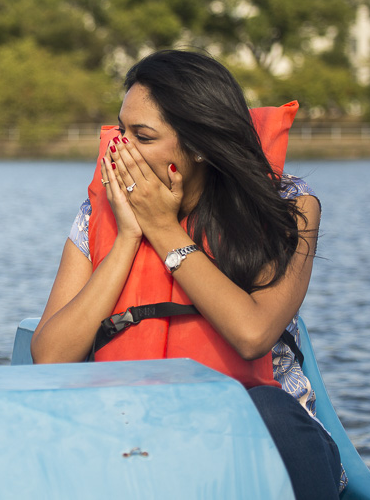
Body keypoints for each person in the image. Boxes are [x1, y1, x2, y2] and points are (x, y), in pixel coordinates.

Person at [30, 50, 343, 499]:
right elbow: (50, 357)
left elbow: (253, 335)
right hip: (137, 438)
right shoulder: (97, 214)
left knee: (271, 409)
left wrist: (163, 229)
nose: (121, 149)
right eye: (120, 130)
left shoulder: (290, 206)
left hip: (255, 437)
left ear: (198, 145)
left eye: (142, 135)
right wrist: (127, 239)